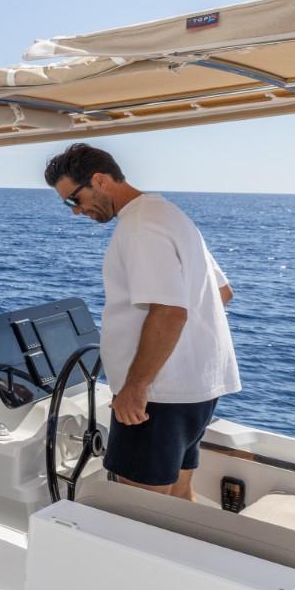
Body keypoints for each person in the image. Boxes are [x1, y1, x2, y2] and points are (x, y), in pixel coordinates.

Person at [44, 142, 237, 500]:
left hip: (157, 398)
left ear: (100, 180)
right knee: (178, 495)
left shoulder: (139, 228)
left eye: (74, 199)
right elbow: (221, 293)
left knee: (141, 508)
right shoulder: (169, 215)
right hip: (197, 391)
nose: (76, 211)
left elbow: (169, 311)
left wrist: (136, 386)